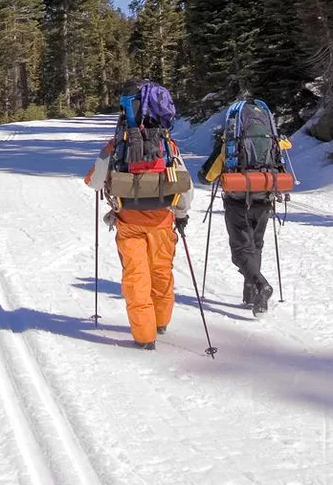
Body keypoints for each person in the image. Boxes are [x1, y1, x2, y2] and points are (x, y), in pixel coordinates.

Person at [86, 119, 194, 350]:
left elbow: (94, 182)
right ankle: (161, 321)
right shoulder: (167, 143)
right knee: (161, 270)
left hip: (129, 221)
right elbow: (185, 185)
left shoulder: (117, 144)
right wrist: (181, 213)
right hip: (162, 220)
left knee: (136, 276)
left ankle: (145, 335)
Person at [198, 101, 291, 315]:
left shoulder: (229, 144)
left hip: (237, 201)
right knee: (255, 246)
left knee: (240, 252)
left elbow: (206, 176)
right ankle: (251, 298)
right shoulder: (273, 141)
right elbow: (287, 149)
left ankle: (261, 286)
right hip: (265, 197)